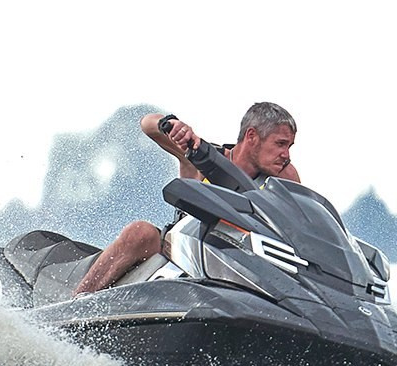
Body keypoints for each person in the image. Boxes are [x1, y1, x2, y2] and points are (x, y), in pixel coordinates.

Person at [72, 101, 301, 297]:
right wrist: (171, 124)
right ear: (251, 136)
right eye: (280, 144)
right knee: (140, 232)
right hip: (183, 251)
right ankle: (74, 305)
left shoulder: (284, 179)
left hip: (240, 264)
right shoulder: (201, 156)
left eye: (290, 146)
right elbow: (147, 124)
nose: (287, 155)